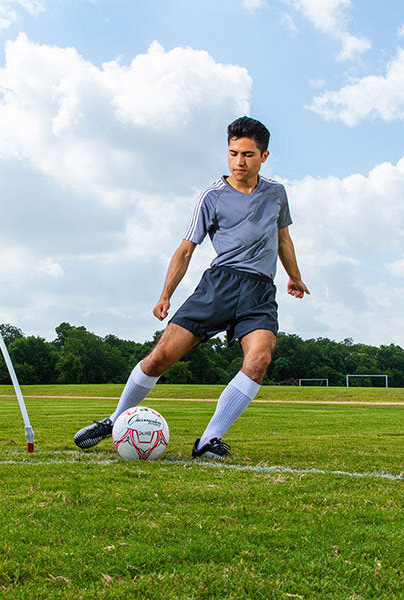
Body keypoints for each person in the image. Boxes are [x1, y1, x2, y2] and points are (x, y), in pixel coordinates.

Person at [74, 116, 309, 458]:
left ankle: (208, 441)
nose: (239, 162)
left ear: (264, 156)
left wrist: (295, 276)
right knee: (160, 358)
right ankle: (115, 419)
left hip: (259, 292)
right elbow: (186, 249)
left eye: (247, 154)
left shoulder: (276, 194)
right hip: (219, 285)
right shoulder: (211, 196)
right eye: (233, 153)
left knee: (259, 359)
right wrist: (165, 294)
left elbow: (283, 238)